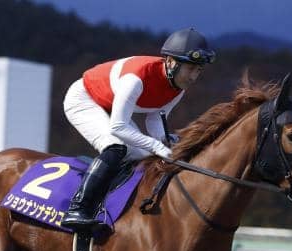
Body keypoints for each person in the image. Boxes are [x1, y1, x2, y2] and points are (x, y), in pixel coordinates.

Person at [61, 27, 216, 230]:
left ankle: (112, 204)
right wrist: (156, 145)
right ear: (171, 62)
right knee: (116, 146)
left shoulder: (177, 87)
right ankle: (77, 208)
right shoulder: (136, 78)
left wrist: (165, 139)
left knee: (145, 158)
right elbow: (118, 127)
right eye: (191, 68)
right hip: (84, 99)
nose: (194, 76)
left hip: (109, 106)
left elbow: (155, 119)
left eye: (198, 70)